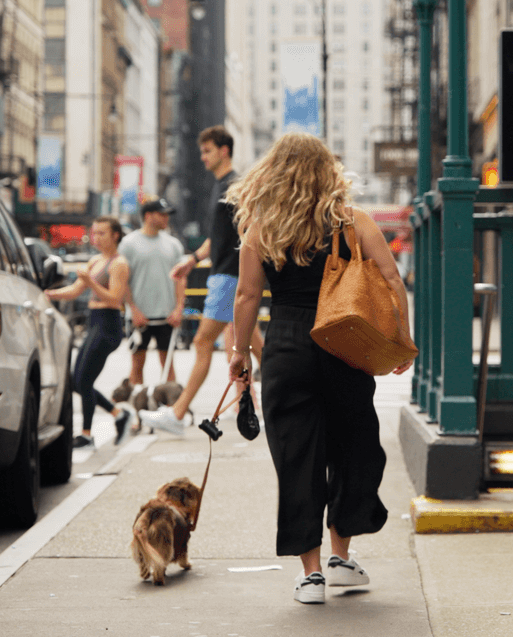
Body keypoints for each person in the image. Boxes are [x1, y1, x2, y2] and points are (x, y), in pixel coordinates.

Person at [224, 133, 413, 605]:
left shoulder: (260, 226)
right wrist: (399, 342)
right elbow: (391, 280)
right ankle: (340, 557)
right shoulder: (354, 222)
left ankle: (310, 576)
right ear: (329, 170)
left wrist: (240, 353)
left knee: (297, 457)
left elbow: (247, 296)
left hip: (287, 347)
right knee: (353, 448)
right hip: (344, 343)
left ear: (274, 171)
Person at [139, 125, 263, 434]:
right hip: (225, 273)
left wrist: (245, 274)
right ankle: (278, 401)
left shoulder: (234, 186)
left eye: (207, 151)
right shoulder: (221, 186)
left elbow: (249, 230)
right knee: (256, 347)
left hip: (229, 276)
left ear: (224, 150)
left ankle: (177, 415)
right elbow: (217, 238)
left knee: (202, 340)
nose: (202, 157)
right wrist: (192, 261)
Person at [45, 216, 132, 447]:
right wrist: (48, 294)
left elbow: (115, 298)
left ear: (115, 235)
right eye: (94, 233)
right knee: (77, 381)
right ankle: (117, 414)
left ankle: (87, 433)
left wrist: (91, 284)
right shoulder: (95, 260)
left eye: (102, 233)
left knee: (83, 380)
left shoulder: (119, 263)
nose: (96, 238)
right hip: (94, 322)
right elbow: (75, 290)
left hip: (108, 324)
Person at [120, 199, 187, 386]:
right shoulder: (128, 244)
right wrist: (132, 309)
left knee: (168, 364)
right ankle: (138, 410)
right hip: (139, 316)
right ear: (148, 216)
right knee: (137, 365)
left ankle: (169, 409)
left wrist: (179, 308)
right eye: (162, 214)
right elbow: (122, 280)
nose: (166, 218)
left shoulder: (173, 244)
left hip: (167, 315)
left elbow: (180, 278)